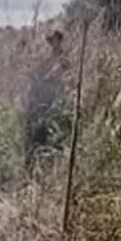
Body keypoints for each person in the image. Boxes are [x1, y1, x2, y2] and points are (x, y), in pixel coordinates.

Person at [22, 29, 70, 170]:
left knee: (44, 129)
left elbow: (61, 72)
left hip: (49, 98)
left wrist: (48, 77)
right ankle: (30, 160)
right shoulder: (44, 56)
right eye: (49, 41)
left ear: (58, 41)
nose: (50, 44)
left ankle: (43, 161)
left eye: (52, 40)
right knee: (32, 129)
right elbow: (33, 72)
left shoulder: (61, 57)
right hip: (37, 97)